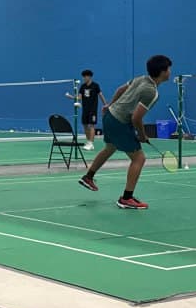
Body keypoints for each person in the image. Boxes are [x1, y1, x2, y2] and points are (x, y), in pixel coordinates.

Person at [78, 55, 173, 210]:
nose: (170, 72)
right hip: (120, 121)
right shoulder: (151, 92)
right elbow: (136, 118)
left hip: (110, 116)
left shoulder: (140, 79)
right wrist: (142, 135)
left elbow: (120, 89)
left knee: (110, 147)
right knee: (139, 158)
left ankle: (88, 177)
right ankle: (126, 198)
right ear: (162, 72)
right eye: (168, 69)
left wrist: (109, 105)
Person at [67, 70, 105, 150]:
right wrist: (72, 97)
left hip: (93, 109)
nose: (84, 78)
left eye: (85, 76)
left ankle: (91, 143)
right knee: (85, 125)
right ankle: (88, 142)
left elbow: (100, 95)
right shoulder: (83, 86)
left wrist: (106, 104)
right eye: (83, 76)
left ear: (90, 77)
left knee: (91, 125)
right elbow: (79, 98)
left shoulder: (95, 85)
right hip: (85, 109)